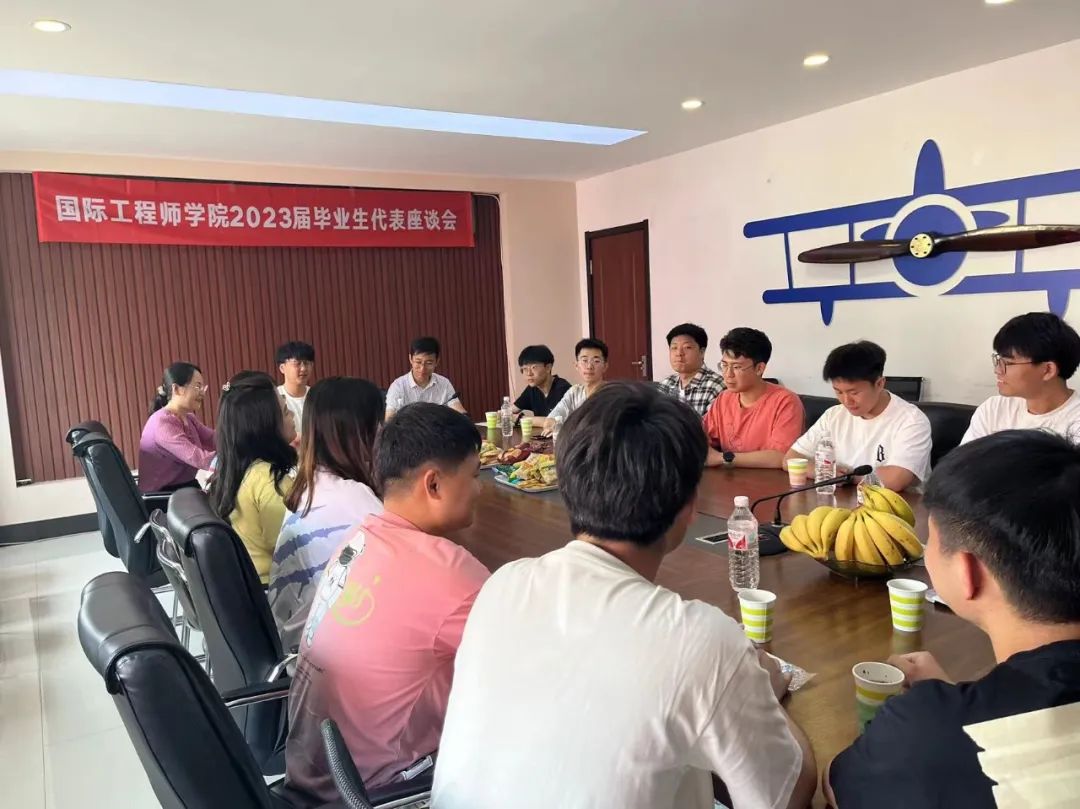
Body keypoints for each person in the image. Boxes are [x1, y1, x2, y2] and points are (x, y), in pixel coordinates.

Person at [433, 383, 817, 809]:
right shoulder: (702, 642)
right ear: (690, 506)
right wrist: (759, 684)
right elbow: (789, 794)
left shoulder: (502, 585)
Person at [825, 430, 1080, 809]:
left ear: (967, 572)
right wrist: (963, 702)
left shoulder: (925, 731)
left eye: (931, 542)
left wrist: (942, 711)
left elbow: (837, 787)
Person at [284, 403, 490, 801]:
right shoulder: (449, 574)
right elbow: (530, 664)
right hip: (383, 792)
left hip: (313, 774)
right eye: (475, 475)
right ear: (433, 485)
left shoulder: (361, 538)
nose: (479, 490)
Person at [269, 377, 384, 651]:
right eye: (378, 423)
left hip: (296, 640)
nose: (382, 431)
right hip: (325, 653)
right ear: (359, 431)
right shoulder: (355, 501)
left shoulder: (309, 485)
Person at [785, 341, 931, 491]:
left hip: (895, 503)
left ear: (880, 384)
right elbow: (790, 459)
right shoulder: (834, 415)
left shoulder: (912, 420)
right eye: (838, 392)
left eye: (854, 392)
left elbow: (896, 480)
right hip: (843, 499)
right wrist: (823, 472)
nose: (846, 401)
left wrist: (846, 477)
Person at [208, 371, 297, 582]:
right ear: (266, 427)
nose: (293, 416)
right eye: (285, 411)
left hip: (252, 583)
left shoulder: (238, 470)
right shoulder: (270, 482)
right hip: (277, 590)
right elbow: (297, 552)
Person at [962, 312, 1080, 444]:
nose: (997, 370)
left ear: (1048, 370)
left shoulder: (1075, 425)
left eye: (1008, 363)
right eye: (998, 360)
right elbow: (965, 457)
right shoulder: (994, 409)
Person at [703, 327, 804, 469]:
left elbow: (780, 457)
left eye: (736, 367)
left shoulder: (786, 402)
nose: (728, 374)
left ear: (759, 368)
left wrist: (722, 458)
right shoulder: (724, 398)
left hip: (769, 480)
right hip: (727, 478)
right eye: (724, 365)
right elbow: (703, 437)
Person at [137, 362, 216, 492]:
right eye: (197, 387)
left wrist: (239, 437)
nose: (202, 393)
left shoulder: (189, 418)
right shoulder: (162, 423)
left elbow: (213, 439)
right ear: (177, 389)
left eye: (203, 387)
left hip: (184, 488)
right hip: (163, 496)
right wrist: (234, 458)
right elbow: (198, 458)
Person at [385, 337, 467, 419]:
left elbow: (458, 410)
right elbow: (389, 418)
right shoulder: (398, 386)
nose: (422, 369)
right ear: (410, 359)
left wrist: (465, 418)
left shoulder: (444, 383)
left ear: (437, 361)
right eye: (418, 362)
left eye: (429, 363)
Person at [541, 338, 609, 437]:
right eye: (584, 360)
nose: (589, 366)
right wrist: (552, 426)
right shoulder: (575, 391)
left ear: (605, 366)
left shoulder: (611, 393)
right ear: (576, 365)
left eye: (596, 361)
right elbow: (553, 417)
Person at [656, 323, 724, 416]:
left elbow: (712, 424)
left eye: (687, 347)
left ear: (702, 352)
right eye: (674, 348)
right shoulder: (666, 384)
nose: (679, 353)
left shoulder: (716, 387)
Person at [513, 344, 571, 418]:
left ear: (548, 368)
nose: (529, 373)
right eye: (525, 369)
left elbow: (553, 421)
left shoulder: (563, 389)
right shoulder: (532, 388)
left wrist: (522, 419)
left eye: (534, 367)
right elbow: (511, 410)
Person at [277, 341, 315, 437]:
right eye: (297, 363)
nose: (303, 368)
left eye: (306, 363)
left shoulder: (317, 396)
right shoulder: (275, 398)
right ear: (282, 368)